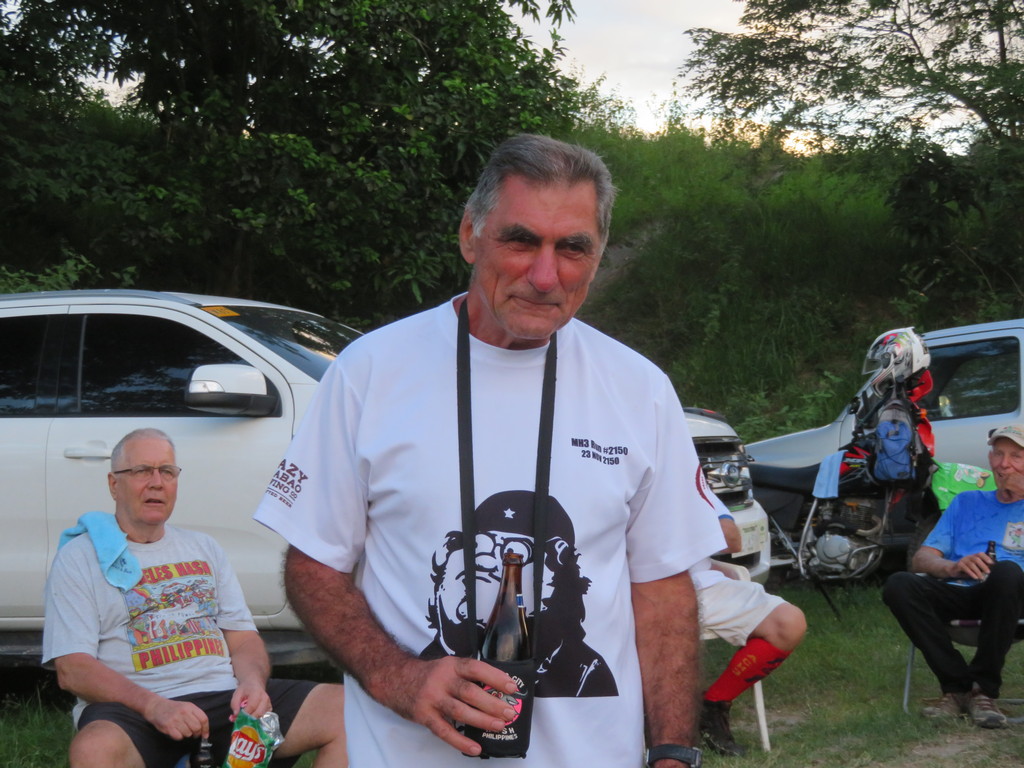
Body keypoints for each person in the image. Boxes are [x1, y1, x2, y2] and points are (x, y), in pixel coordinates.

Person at [254, 134, 726, 768]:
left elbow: (663, 587)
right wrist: (397, 677)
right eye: (521, 241)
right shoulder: (371, 372)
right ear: (470, 236)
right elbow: (314, 564)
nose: (545, 276)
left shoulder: (639, 389)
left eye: (573, 248)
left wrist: (672, 752)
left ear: (598, 255)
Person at [42, 428, 347, 768]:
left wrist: (252, 683)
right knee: (93, 749)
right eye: (142, 471)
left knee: (349, 712)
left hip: (224, 700)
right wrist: (153, 706)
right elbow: (73, 668)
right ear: (114, 484)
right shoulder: (79, 557)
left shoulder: (203, 548)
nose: (157, 482)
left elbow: (243, 638)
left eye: (167, 472)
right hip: (134, 710)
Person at [883, 424, 1024, 728]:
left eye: (1016, 456)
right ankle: (958, 686)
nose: (1004, 464)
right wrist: (953, 567)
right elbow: (921, 559)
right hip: (960, 590)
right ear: (990, 459)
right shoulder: (966, 502)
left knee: (1007, 572)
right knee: (899, 584)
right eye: (998, 454)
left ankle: (984, 690)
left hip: (1012, 598)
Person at [694, 508, 806, 756]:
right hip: (646, 586)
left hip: (706, 583)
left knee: (788, 623)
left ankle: (712, 705)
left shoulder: (694, 488)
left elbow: (732, 539)